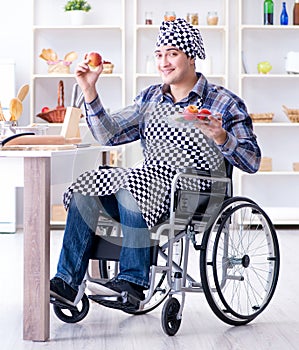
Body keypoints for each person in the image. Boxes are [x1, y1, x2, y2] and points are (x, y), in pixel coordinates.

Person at [50, 18, 261, 312]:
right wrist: (89, 91)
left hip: (197, 194)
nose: (164, 62)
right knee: (88, 187)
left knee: (133, 184)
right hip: (148, 188)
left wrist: (220, 135)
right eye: (159, 54)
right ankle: (68, 283)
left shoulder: (224, 103)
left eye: (172, 53)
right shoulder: (149, 98)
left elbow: (252, 161)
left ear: (191, 55)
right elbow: (108, 135)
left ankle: (133, 282)